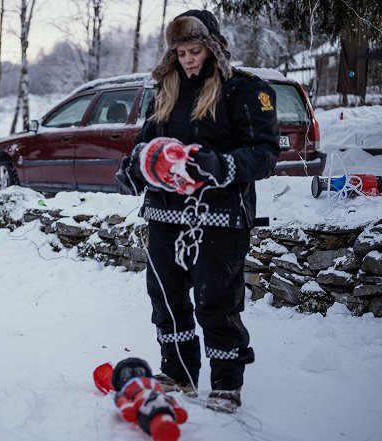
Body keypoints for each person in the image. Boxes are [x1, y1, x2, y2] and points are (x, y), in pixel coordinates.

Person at [117, 10, 280, 412]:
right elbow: (144, 144)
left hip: (221, 216)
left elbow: (264, 154)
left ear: (213, 47)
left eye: (195, 50)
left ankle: (226, 383)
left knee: (216, 301)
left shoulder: (244, 90)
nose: (188, 58)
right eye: (181, 52)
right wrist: (133, 170)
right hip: (164, 214)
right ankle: (178, 373)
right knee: (166, 298)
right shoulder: (164, 90)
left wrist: (221, 165)